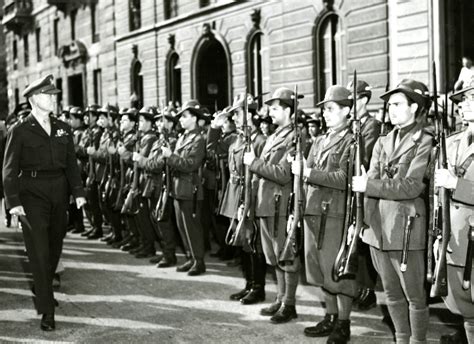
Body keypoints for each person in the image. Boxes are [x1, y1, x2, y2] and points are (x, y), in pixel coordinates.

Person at [3, 74, 86, 331]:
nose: (53, 99)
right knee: (38, 252)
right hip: (32, 194)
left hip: (59, 192)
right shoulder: (20, 130)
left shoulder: (63, 127)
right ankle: (47, 310)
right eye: (48, 95)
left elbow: (71, 164)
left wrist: (79, 192)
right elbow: (8, 168)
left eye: (53, 95)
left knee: (53, 247)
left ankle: (45, 289)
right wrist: (13, 201)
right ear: (34, 99)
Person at [352, 79, 433, 344]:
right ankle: (401, 339)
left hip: (405, 227)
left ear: (414, 107)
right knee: (391, 294)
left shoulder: (425, 141)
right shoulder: (383, 141)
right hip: (378, 229)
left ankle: (417, 341)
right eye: (389, 105)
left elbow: (411, 186)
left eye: (397, 104)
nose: (391, 110)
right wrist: (361, 223)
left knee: (414, 296)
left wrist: (369, 185)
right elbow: (370, 183)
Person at [294, 85, 356, 343]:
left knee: (336, 272)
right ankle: (330, 316)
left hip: (333, 214)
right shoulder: (319, 140)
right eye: (324, 110)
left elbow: (343, 179)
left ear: (347, 111)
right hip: (312, 212)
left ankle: (343, 322)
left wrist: (308, 173)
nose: (325, 114)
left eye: (331, 109)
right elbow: (304, 176)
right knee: (319, 270)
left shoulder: (352, 142)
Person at [243, 87, 299, 324]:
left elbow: (284, 174)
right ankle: (280, 297)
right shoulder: (274, 136)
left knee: (286, 257)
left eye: (275, 108)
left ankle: (289, 303)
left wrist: (254, 163)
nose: (270, 113)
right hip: (265, 202)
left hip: (280, 204)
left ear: (288, 110)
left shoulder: (294, 137)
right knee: (274, 256)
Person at [434, 79, 474, 344]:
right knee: (466, 311)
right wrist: (439, 234)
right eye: (462, 101)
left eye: (471, 99)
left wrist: (456, 184)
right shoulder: (454, 141)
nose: (463, 105)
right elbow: (439, 196)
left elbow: (451, 184)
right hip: (456, 239)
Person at [346, 79, 381, 311]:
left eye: (353, 100)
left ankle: (368, 289)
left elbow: (365, 156)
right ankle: (358, 286)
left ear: (364, 100)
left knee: (363, 239)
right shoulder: (353, 124)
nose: (350, 105)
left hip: (364, 187)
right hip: (350, 186)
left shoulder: (371, 125)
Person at [161, 100, 207, 276]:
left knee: (192, 227)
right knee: (182, 226)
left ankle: (199, 260)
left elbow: (190, 164)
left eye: (185, 116)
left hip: (190, 189)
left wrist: (171, 156)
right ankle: (190, 257)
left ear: (194, 118)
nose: (181, 120)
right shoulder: (183, 137)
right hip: (178, 187)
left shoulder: (199, 139)